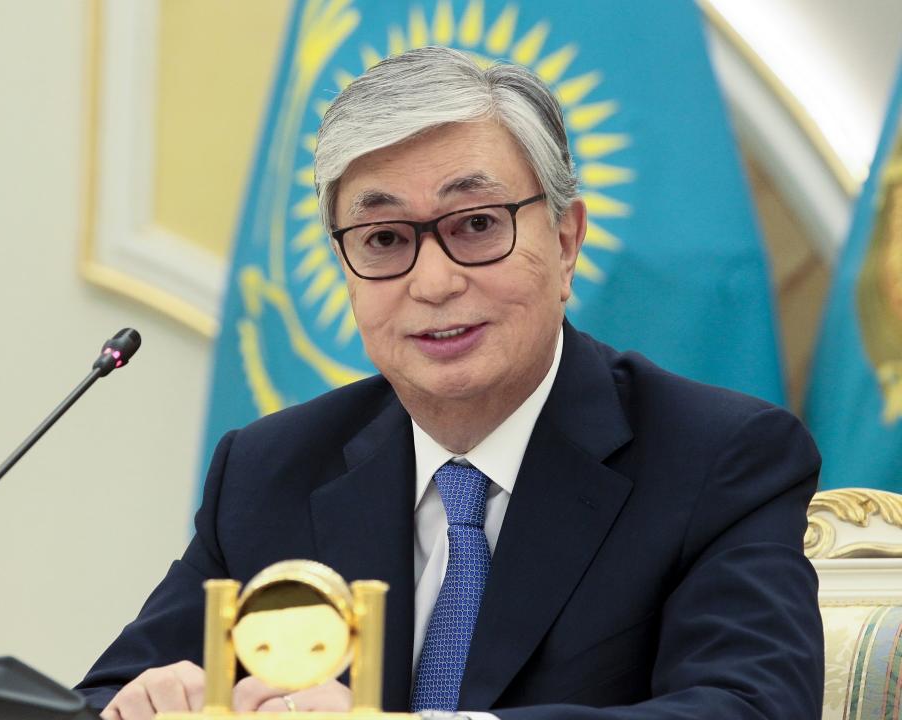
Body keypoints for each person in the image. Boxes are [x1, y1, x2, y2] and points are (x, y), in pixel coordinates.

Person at [77, 46, 823, 720]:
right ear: (346, 269)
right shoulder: (269, 471)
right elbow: (99, 696)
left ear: (565, 243)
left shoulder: (717, 458)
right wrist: (140, 704)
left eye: (475, 225)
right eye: (384, 240)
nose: (433, 282)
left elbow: (750, 707)